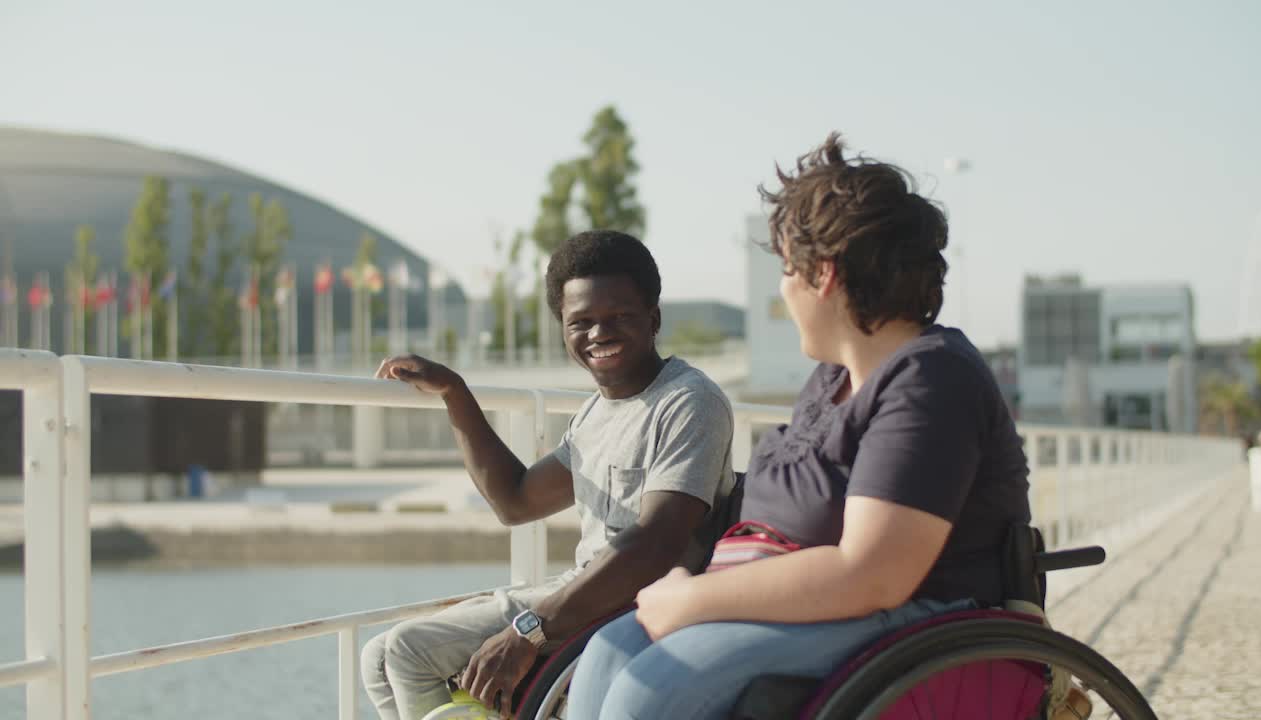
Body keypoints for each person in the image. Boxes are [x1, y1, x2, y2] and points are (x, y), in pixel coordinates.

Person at [567, 134, 1032, 720]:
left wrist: (694, 598)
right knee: (607, 653)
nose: (785, 291)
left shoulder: (931, 379)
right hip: (810, 598)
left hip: (916, 619)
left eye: (789, 270)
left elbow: (874, 573)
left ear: (826, 275)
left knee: (653, 690)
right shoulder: (831, 380)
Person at [362, 229, 736, 720]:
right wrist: (455, 393)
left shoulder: (690, 402)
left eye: (619, 316)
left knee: (409, 649)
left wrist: (528, 630)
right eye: (581, 322)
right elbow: (515, 501)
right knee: (376, 657)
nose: (599, 334)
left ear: (654, 318)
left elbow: (656, 544)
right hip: (581, 590)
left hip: (633, 605)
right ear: (563, 328)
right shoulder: (595, 413)